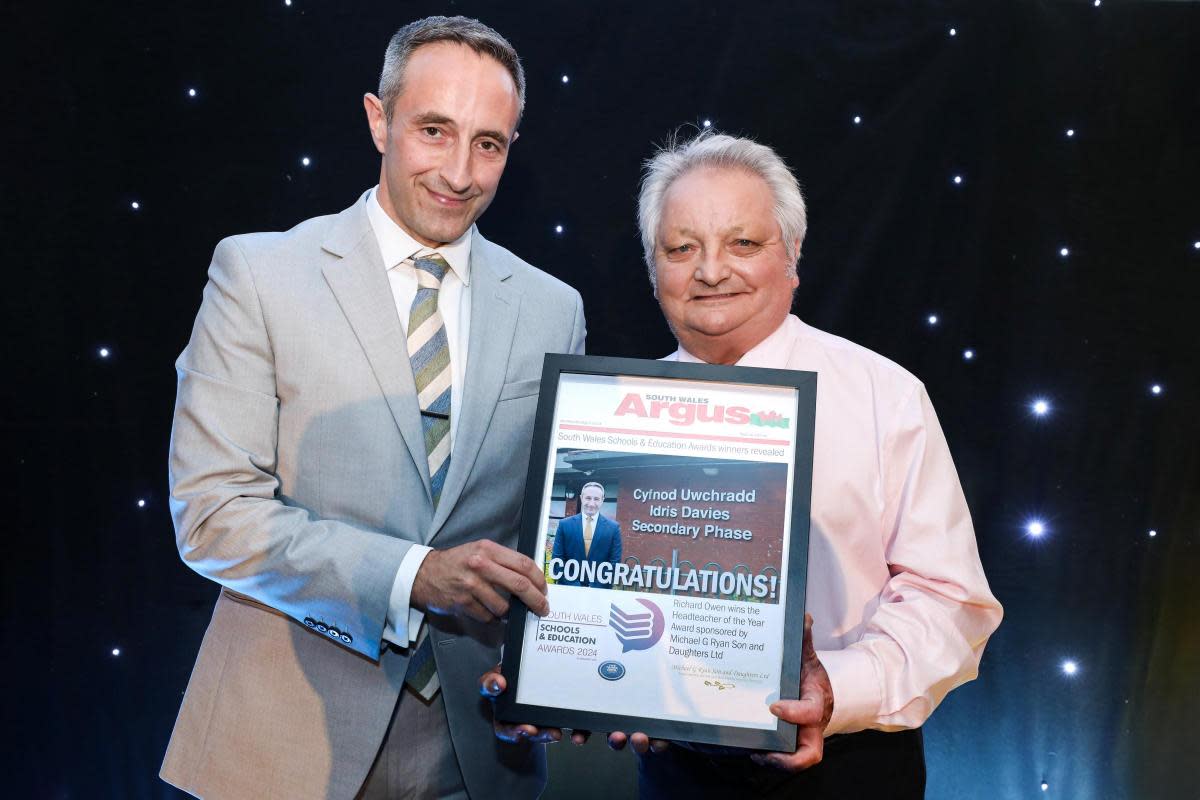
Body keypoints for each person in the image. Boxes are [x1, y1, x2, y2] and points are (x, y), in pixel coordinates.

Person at [483, 131, 1002, 798]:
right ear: (652, 266)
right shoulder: (609, 417)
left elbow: (952, 601)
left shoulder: (883, 395)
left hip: (848, 767)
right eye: (681, 248)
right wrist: (551, 668)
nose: (710, 271)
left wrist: (833, 689)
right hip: (675, 775)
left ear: (791, 256)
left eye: (742, 243)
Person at [161, 16, 584, 800]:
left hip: (478, 749)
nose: (459, 172)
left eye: (488, 144)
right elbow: (214, 515)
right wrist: (413, 575)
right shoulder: (258, 274)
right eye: (434, 131)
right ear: (378, 120)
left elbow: (555, 530)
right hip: (280, 744)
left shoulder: (552, 308)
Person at [551, 481, 623, 588]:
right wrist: (576, 587)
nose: (591, 503)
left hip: (599, 593)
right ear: (581, 498)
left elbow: (614, 564)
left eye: (596, 499)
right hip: (568, 590)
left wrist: (593, 588)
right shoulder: (564, 525)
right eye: (588, 498)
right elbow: (557, 562)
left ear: (602, 500)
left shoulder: (613, 528)